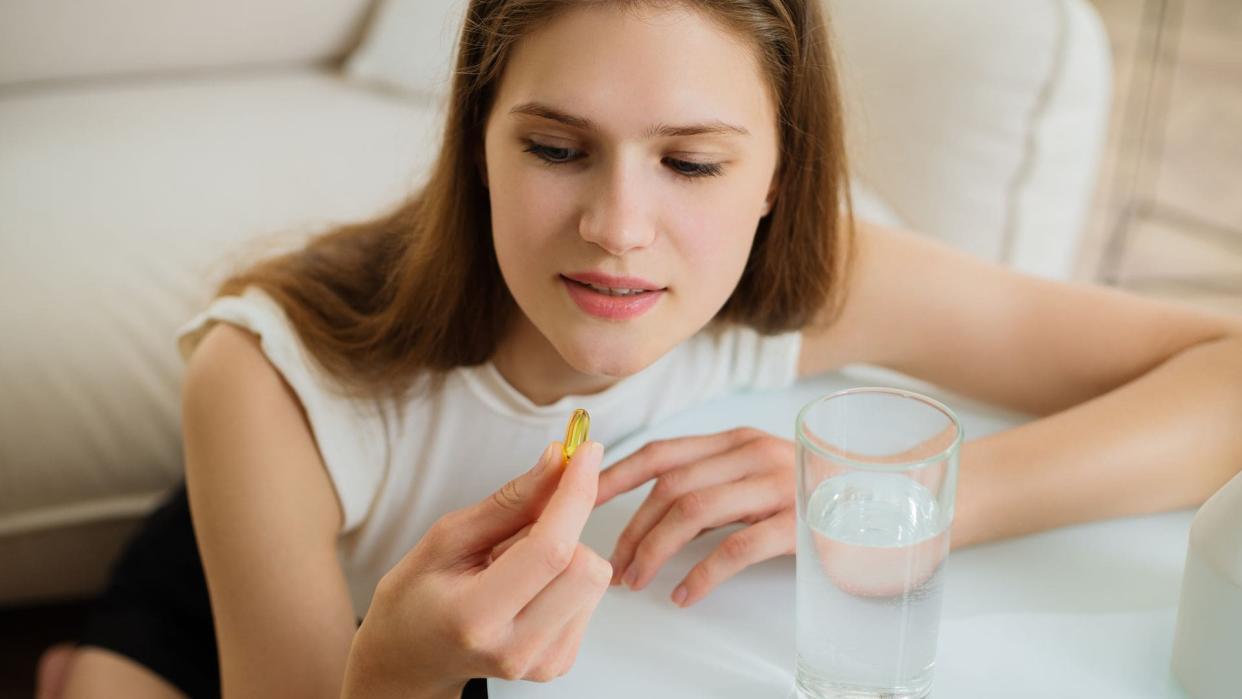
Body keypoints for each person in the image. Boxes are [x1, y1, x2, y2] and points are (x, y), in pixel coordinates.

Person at [36, 0, 1242, 697]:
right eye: (556, 148)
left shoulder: (810, 280)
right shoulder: (267, 386)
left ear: (780, 175)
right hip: (240, 600)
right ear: (475, 143)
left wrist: (904, 500)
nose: (617, 229)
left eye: (693, 162)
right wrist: (399, 672)